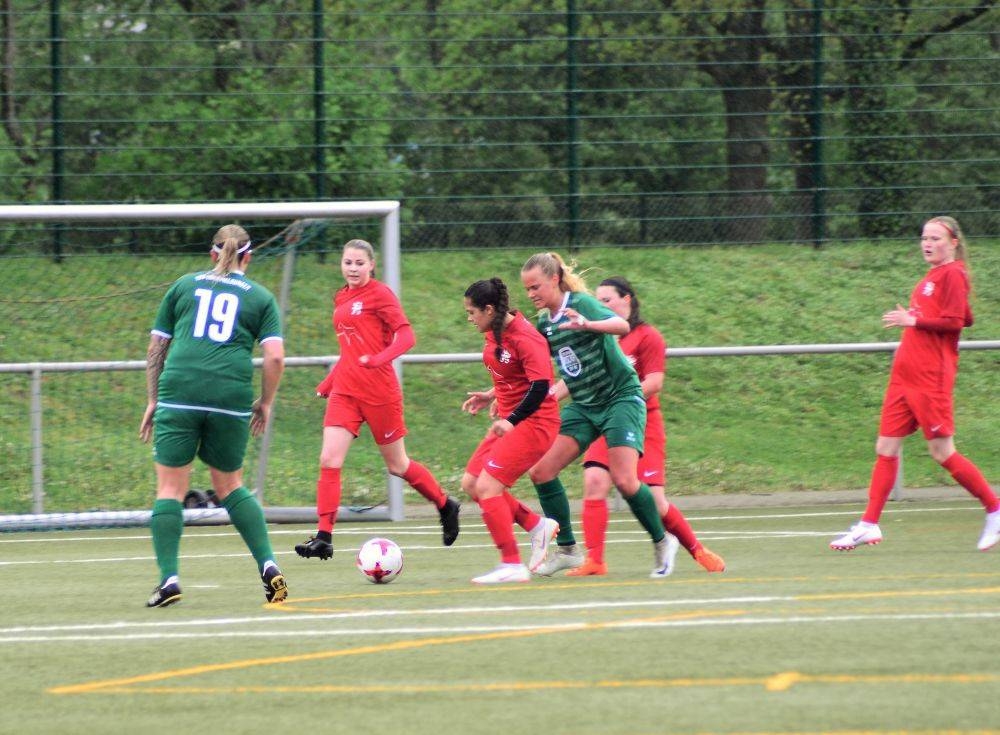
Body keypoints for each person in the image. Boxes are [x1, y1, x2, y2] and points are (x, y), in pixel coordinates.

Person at [139, 224, 288, 608]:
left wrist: (154, 399)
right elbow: (274, 357)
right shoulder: (261, 297)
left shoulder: (184, 286)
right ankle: (269, 566)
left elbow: (156, 348)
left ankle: (169, 579)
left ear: (212, 255)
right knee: (231, 486)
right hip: (230, 395)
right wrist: (265, 402)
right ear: (249, 257)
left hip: (180, 391)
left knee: (170, 489)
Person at [831, 216, 1000, 552]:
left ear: (953, 243)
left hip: (929, 378)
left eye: (936, 238)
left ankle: (995, 509)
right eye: (924, 237)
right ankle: (869, 524)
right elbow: (964, 315)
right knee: (885, 448)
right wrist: (922, 317)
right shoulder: (936, 275)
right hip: (905, 376)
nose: (927, 243)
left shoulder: (953, 273)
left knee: (942, 452)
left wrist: (914, 320)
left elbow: (955, 322)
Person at [294, 239, 460, 560]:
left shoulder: (380, 294)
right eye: (348, 262)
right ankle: (324, 537)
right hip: (345, 392)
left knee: (398, 465)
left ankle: (445, 505)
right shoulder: (341, 296)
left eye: (359, 263)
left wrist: (379, 359)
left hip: (379, 392)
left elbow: (407, 336)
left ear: (372, 264)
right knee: (329, 460)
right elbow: (350, 350)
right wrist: (329, 382)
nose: (353, 268)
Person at [520, 252, 674, 577]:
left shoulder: (581, 304)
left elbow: (621, 325)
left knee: (625, 480)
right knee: (541, 471)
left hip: (620, 397)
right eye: (527, 289)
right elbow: (539, 366)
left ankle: (662, 541)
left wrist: (588, 324)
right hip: (585, 404)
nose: (531, 294)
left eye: (536, 287)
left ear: (554, 279)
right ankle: (568, 550)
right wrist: (498, 392)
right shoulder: (545, 324)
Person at [569, 277, 725, 577]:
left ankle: (696, 550)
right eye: (597, 301)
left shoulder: (648, 336)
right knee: (595, 481)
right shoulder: (598, 336)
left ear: (627, 299)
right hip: (606, 417)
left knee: (653, 499)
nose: (601, 305)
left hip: (641, 419)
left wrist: (621, 397)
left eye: (606, 300)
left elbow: (654, 383)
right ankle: (595, 561)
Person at [460, 278, 561, 584]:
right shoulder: (494, 331)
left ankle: (511, 564)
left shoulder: (526, 338)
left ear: (489, 310)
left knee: (488, 487)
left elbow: (540, 386)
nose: (469, 318)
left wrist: (512, 419)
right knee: (471, 483)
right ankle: (535, 525)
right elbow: (515, 374)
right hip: (511, 419)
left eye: (472, 312)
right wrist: (492, 395)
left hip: (534, 423)